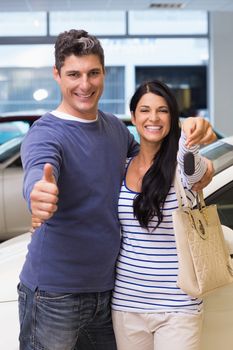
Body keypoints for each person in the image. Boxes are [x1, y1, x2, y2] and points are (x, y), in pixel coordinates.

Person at [19, 29, 214, 350]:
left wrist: (200, 157)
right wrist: (37, 194)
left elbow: (160, 164)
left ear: (104, 73)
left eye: (93, 73)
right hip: (55, 294)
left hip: (109, 293)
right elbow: (39, 172)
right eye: (73, 74)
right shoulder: (45, 133)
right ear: (57, 75)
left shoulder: (114, 129)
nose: (85, 84)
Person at [111, 80, 216, 350]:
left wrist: (193, 130)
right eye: (145, 110)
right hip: (127, 304)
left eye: (163, 110)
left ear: (172, 116)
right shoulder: (121, 168)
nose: (154, 118)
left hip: (178, 307)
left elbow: (194, 165)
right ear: (133, 117)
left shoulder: (181, 170)